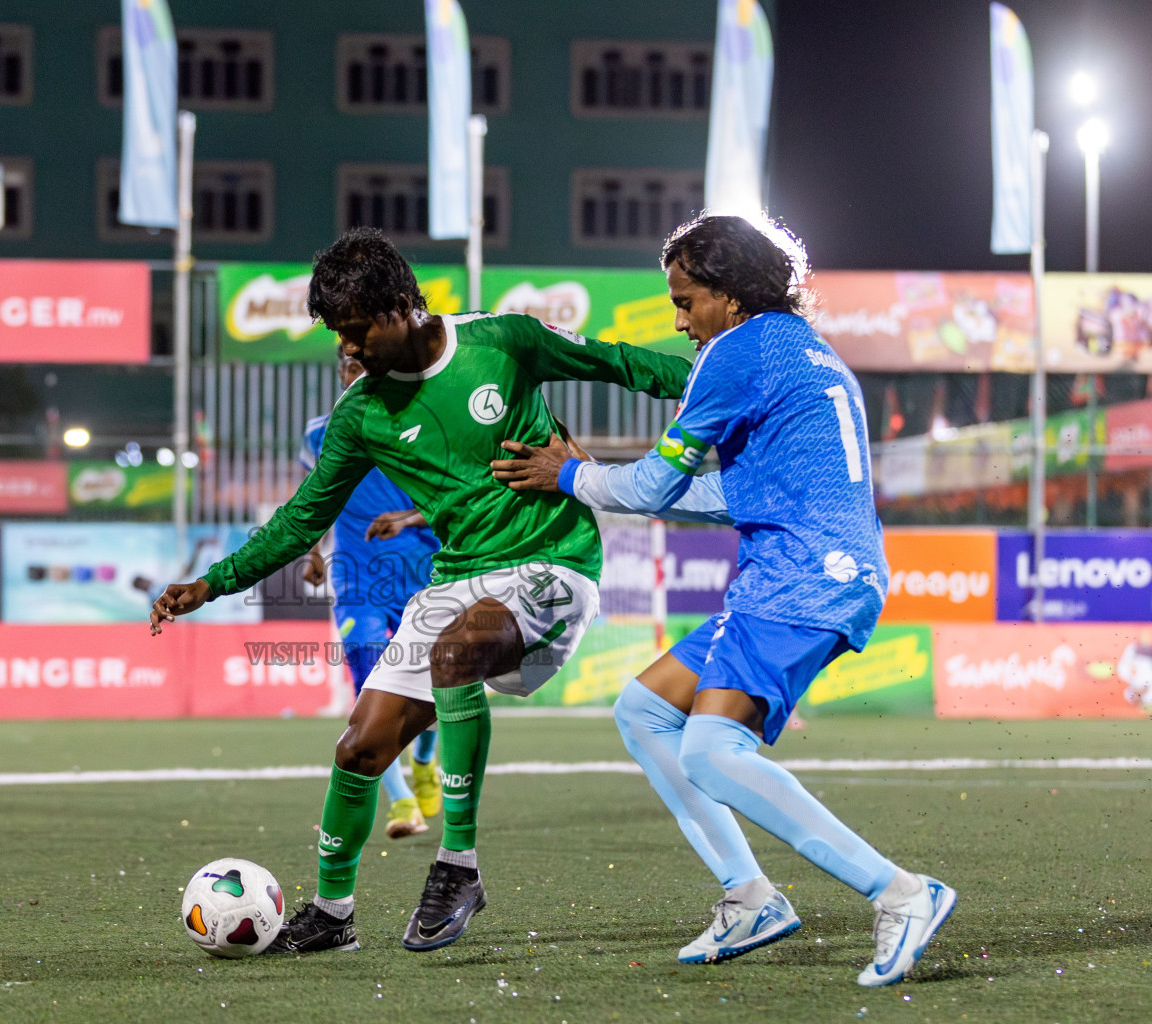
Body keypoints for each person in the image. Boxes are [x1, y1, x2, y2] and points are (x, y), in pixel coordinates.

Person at [152, 227, 691, 954]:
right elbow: (298, 519)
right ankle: (333, 913)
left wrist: (720, 389)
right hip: (459, 576)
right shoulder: (361, 414)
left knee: (453, 653)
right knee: (359, 751)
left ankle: (458, 867)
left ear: (402, 305)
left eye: (355, 331)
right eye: (337, 336)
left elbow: (618, 363)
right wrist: (210, 583)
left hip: (553, 562)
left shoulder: (504, 341)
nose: (347, 350)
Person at [491, 214, 955, 988]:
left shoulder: (735, 353)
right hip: (811, 569)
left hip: (804, 576)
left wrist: (571, 476)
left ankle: (901, 893)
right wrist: (593, 476)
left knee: (711, 749)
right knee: (644, 711)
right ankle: (750, 896)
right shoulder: (800, 349)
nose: (678, 318)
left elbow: (653, 485)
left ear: (730, 295)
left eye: (685, 299)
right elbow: (730, 493)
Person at [300, 346, 443, 840]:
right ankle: (402, 801)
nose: (353, 370)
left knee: (435, 690)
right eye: (346, 362)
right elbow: (316, 498)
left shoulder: (420, 427)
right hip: (356, 581)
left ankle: (425, 762)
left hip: (425, 574)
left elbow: (453, 499)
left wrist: (407, 519)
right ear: (339, 370)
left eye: (363, 363)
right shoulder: (319, 434)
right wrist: (314, 551)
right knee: (369, 691)